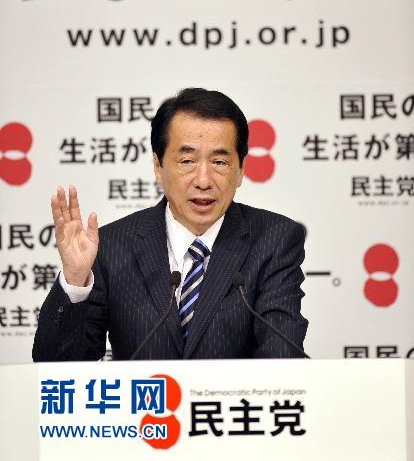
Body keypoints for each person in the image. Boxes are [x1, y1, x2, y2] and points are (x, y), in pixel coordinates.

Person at [33, 88, 308, 361]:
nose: (203, 180)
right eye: (187, 161)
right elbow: (56, 366)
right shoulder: (113, 246)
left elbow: (282, 356)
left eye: (220, 162)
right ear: (158, 166)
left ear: (240, 170)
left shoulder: (273, 240)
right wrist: (75, 281)